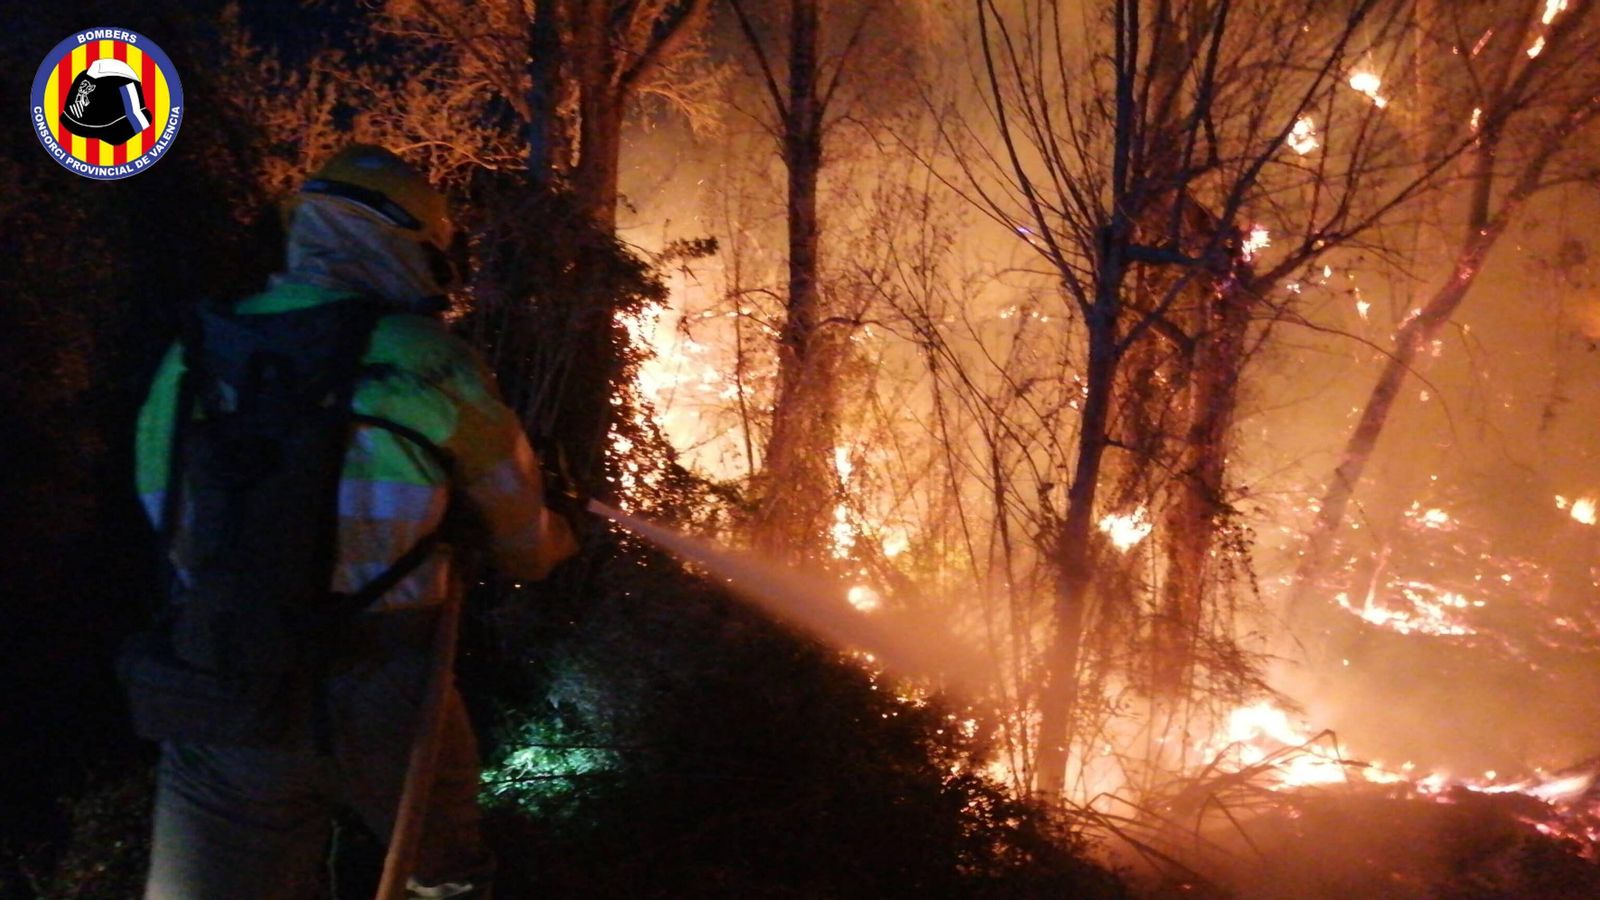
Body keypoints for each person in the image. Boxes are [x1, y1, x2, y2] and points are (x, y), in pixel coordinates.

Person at [134, 145, 579, 899]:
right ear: (413, 247)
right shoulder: (431, 361)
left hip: (225, 672)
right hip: (391, 689)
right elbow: (523, 539)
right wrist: (554, 540)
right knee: (443, 877)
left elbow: (158, 508)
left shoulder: (197, 353)